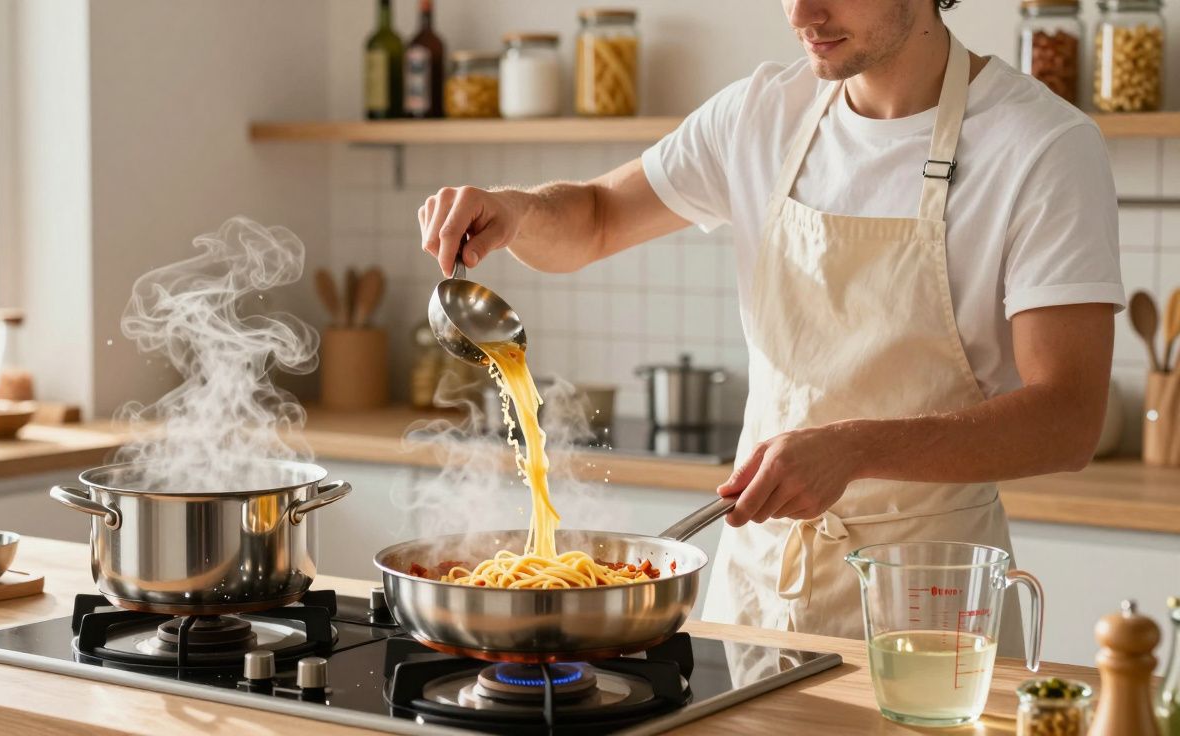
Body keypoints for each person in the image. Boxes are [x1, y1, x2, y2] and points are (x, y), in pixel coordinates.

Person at [416, 0, 1122, 653]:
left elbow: (1067, 418)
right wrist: (512, 210)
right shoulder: (762, 114)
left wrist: (852, 450)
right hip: (755, 595)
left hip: (929, 607)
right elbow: (597, 216)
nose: (801, 14)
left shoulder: (1043, 146)